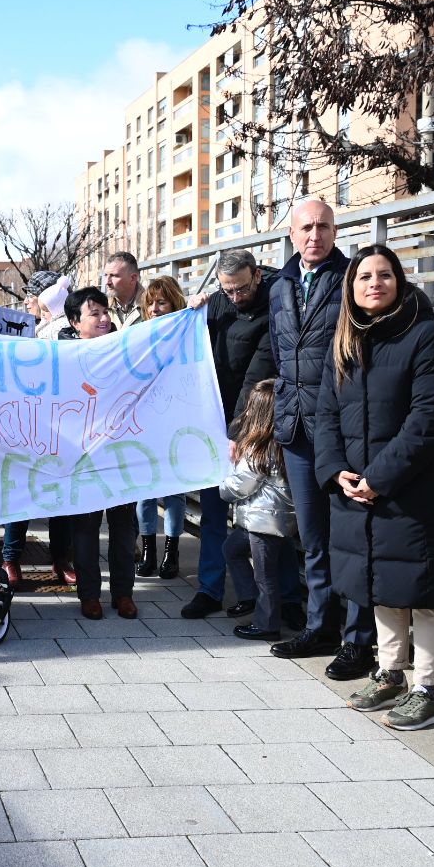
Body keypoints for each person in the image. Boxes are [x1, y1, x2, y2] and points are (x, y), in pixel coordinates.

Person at [314, 246, 434, 730]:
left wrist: (379, 478)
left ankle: (428, 689)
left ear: (399, 281)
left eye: (384, 275)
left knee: (424, 592)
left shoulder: (427, 338)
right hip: (358, 491)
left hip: (413, 492)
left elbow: (428, 420)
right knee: (381, 586)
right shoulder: (346, 343)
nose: (373, 283)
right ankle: (390, 675)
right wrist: (336, 470)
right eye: (363, 277)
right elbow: (326, 417)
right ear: (351, 288)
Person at [267, 199, 377, 682]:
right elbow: (276, 350)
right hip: (294, 426)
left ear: (336, 230)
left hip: (341, 428)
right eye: (307, 227)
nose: (315, 234)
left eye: (324, 226)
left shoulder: (352, 277)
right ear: (292, 234)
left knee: (349, 538)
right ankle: (319, 627)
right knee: (312, 538)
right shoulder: (280, 284)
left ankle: (358, 641)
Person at [183, 249, 286, 619]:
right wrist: (193, 310)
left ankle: (278, 601)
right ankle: (210, 590)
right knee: (213, 513)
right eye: (227, 290)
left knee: (267, 518)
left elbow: (253, 378)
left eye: (241, 289)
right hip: (213, 424)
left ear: (256, 276)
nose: (235, 297)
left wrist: (236, 432)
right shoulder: (217, 305)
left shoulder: (276, 306)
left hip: (254, 427)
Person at [63, 286, 138, 618]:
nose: (105, 318)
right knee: (85, 529)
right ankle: (89, 595)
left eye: (106, 312)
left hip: (122, 453)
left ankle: (123, 593)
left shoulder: (128, 349)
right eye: (95, 313)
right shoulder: (61, 358)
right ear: (75, 322)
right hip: (82, 455)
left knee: (124, 529)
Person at [0, 270, 76, 585]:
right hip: (24, 422)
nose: (28, 300)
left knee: (59, 494)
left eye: (33, 294)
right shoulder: (16, 327)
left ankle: (61, 558)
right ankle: (10, 559)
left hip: (58, 425)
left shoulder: (66, 331)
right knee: (20, 492)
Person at [218, 381, 298, 641]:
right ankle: (250, 598)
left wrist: (222, 486)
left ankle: (267, 625)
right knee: (232, 549)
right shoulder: (281, 442)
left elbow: (241, 485)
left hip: (263, 522)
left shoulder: (258, 448)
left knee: (266, 577)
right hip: (272, 520)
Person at [135, 276, 188, 579]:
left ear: (174, 303)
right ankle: (148, 552)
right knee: (144, 491)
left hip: (176, 420)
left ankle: (172, 552)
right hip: (146, 422)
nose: (155, 308)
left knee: (173, 492)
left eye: (162, 302)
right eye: (151, 302)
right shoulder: (139, 334)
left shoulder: (185, 333)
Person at [103, 251, 143, 329]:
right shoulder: (101, 307)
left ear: (133, 278)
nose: (107, 282)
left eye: (114, 276)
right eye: (106, 275)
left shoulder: (152, 305)